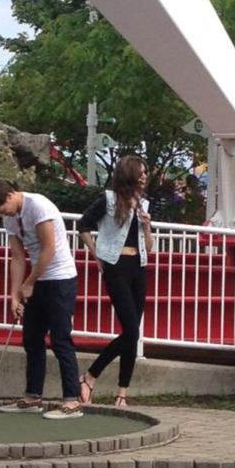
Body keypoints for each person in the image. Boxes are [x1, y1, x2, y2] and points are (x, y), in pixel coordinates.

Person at [0, 179, 82, 420]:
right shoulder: (10, 218)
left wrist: (29, 283)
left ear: (10, 195)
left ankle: (72, 400)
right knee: (32, 339)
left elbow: (49, 249)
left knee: (60, 339)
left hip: (60, 278)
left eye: (2, 209)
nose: (3, 215)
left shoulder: (38, 206)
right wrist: (14, 295)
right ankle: (33, 397)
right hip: (37, 280)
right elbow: (17, 257)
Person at [76, 155, 153, 408]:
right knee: (131, 331)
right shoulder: (109, 199)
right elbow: (83, 224)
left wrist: (147, 226)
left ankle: (121, 393)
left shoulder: (143, 203)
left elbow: (149, 247)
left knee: (132, 334)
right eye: (140, 172)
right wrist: (95, 254)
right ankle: (90, 376)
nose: (145, 176)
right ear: (129, 174)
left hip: (139, 267)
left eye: (146, 172)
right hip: (116, 266)